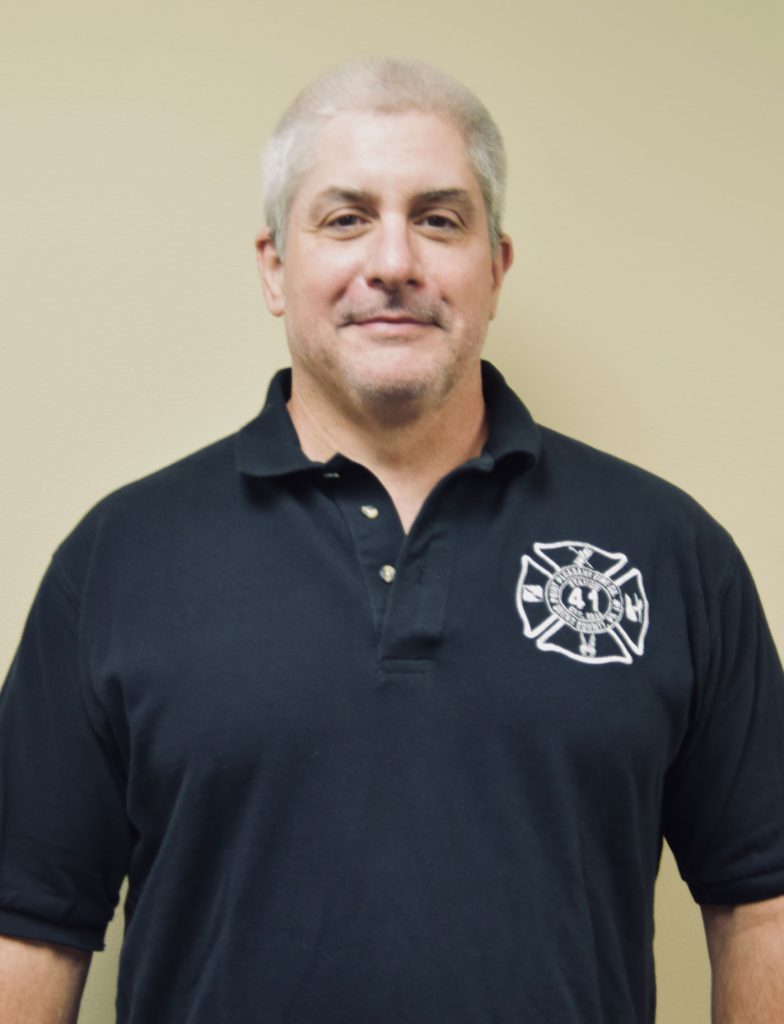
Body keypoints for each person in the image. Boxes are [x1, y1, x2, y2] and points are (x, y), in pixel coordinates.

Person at [0, 56, 782, 1024]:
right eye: (345, 217)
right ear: (275, 268)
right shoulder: (120, 557)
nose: (393, 262)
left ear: (494, 268)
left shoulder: (671, 550)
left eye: (439, 218)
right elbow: (29, 921)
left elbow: (760, 896)